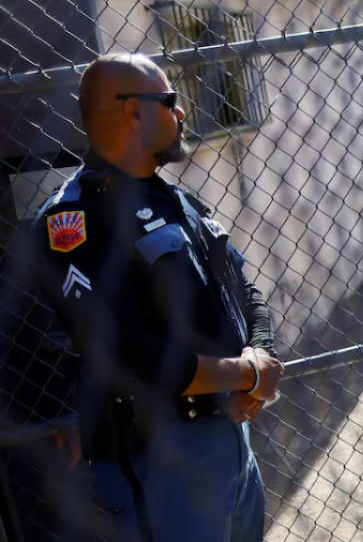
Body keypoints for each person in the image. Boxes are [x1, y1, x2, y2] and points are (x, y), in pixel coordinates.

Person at [24, 53, 282, 540]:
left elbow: (244, 289)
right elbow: (130, 356)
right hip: (161, 456)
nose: (183, 113)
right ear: (133, 113)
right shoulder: (74, 222)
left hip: (230, 436)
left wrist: (260, 359)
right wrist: (248, 373)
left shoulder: (175, 199)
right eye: (170, 101)